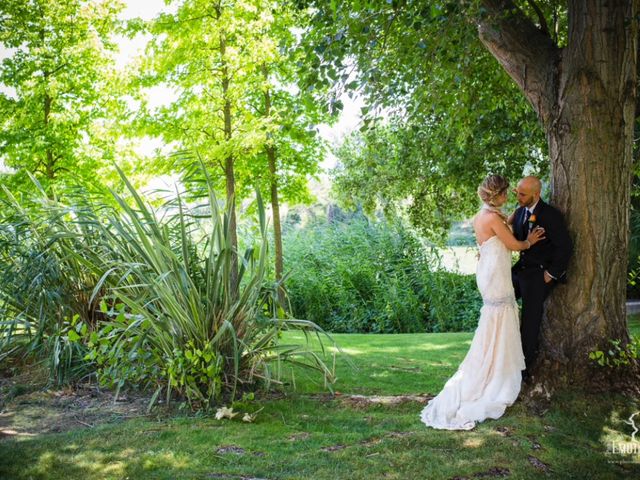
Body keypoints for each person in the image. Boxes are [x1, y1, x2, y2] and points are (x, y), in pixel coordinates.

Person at [420, 175, 545, 430]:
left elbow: (502, 226)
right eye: (505, 193)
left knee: (498, 317)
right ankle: (494, 373)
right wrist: (529, 241)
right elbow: (513, 245)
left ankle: (496, 364)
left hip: (491, 271)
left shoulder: (487, 214)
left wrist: (515, 215)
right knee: (499, 316)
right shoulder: (490, 218)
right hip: (495, 275)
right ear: (496, 195)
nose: (508, 196)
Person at [510, 176, 572, 382]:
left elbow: (565, 247)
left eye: (522, 194)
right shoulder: (519, 213)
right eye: (517, 192)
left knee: (530, 321)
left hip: (539, 274)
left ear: (536, 194)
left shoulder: (550, 215)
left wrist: (551, 274)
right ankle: (502, 357)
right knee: (500, 303)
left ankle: (523, 371)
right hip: (520, 271)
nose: (517, 197)